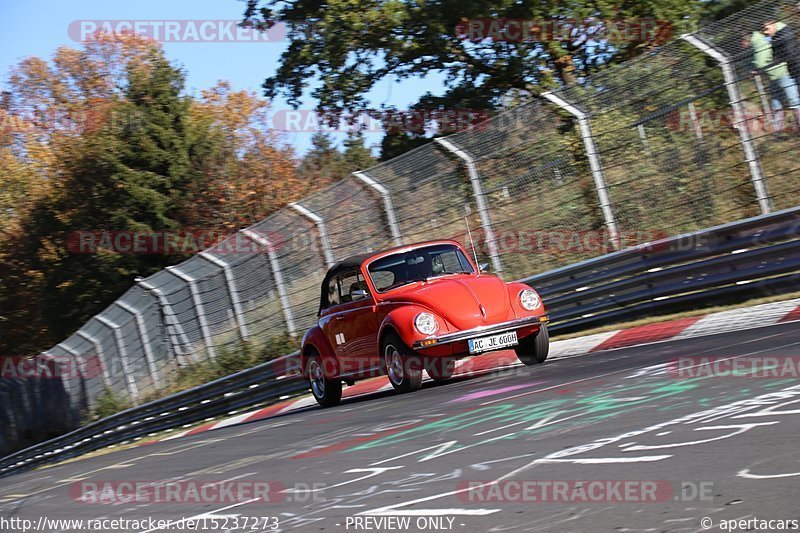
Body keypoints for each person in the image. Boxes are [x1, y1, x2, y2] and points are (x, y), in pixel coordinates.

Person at [746, 30, 800, 130]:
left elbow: (761, 62)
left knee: (794, 101)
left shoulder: (761, 42)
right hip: (773, 77)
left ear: (746, 40)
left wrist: (755, 70)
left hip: (782, 74)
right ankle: (777, 129)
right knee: (776, 103)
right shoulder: (756, 45)